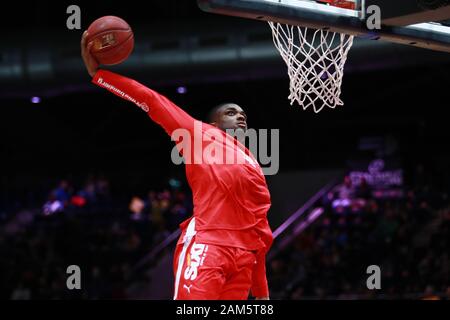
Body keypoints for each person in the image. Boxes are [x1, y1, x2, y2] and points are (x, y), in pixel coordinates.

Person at [81, 31, 273, 300]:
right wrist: (100, 75)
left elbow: (260, 229)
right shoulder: (198, 134)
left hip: (243, 259)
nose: (240, 116)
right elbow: (150, 99)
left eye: (243, 113)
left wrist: (262, 293)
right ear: (214, 123)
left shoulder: (253, 162)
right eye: (231, 112)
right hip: (209, 245)